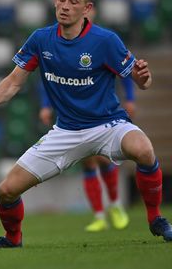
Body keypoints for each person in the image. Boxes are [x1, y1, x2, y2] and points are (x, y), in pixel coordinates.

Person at [0, 0, 172, 250]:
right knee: (7, 191)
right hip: (66, 131)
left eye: (74, 1)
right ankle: (12, 240)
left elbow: (142, 81)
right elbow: (13, 82)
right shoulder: (41, 39)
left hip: (108, 125)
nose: (65, 6)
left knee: (143, 149)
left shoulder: (105, 41)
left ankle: (156, 219)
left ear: (87, 8)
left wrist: (144, 77)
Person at [39, 76, 134, 232]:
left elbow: (125, 69)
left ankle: (115, 205)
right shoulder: (59, 54)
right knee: (87, 160)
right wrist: (45, 105)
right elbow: (47, 76)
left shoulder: (98, 52)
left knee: (103, 159)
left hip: (100, 110)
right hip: (73, 111)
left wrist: (130, 98)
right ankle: (99, 216)